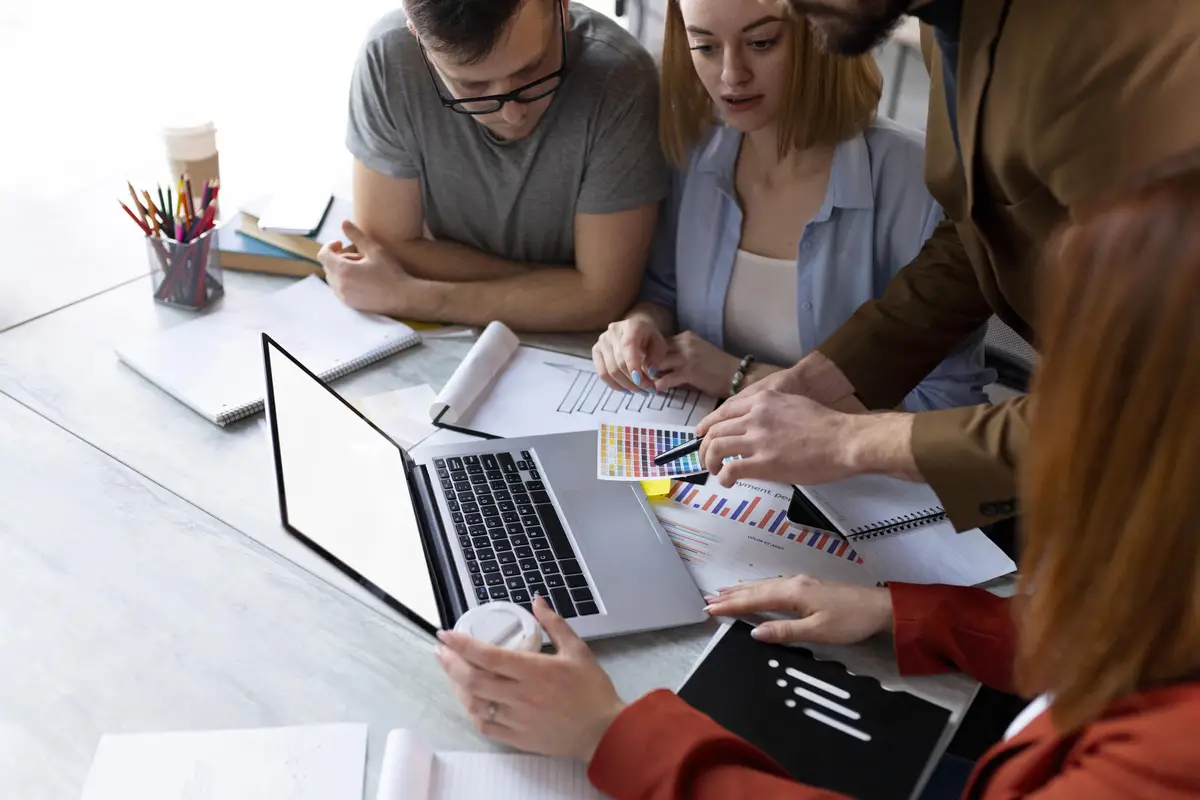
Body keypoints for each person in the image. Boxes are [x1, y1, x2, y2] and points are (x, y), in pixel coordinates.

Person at [434, 158, 1200, 798]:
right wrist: (905, 615)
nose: (1042, 427)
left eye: (1078, 387)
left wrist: (611, 733)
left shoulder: (1163, 763)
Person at [693, 0, 1200, 529]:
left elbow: (1149, 402)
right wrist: (822, 379)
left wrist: (853, 440)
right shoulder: (950, 20)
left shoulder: (1119, 56)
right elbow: (980, 231)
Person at [591, 0, 990, 411]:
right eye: (705, 47)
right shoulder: (692, 152)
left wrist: (739, 377)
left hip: (850, 472)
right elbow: (665, 289)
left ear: (821, 30)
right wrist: (640, 325)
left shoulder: (921, 185)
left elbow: (946, 404)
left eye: (761, 43)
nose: (731, 75)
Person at [317, 0, 668, 332]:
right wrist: (563, 288)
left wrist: (408, 295)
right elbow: (389, 245)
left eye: (532, 70)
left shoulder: (620, 79)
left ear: (561, 6)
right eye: (473, 86)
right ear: (418, 38)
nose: (511, 114)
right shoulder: (388, 58)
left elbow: (602, 300)